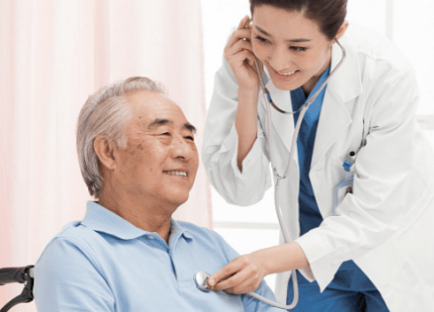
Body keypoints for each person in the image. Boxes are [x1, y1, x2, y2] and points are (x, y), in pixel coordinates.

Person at [202, 0, 434, 311]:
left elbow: (373, 215)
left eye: (298, 47)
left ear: (338, 32)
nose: (278, 61)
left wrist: (265, 261)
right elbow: (240, 190)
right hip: (311, 259)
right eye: (263, 38)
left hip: (397, 252)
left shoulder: (384, 73)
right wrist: (248, 91)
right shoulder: (243, 63)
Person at [33, 77, 280, 312]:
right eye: (164, 134)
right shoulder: (75, 254)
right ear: (109, 152)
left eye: (188, 137)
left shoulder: (210, 245)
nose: (185, 151)